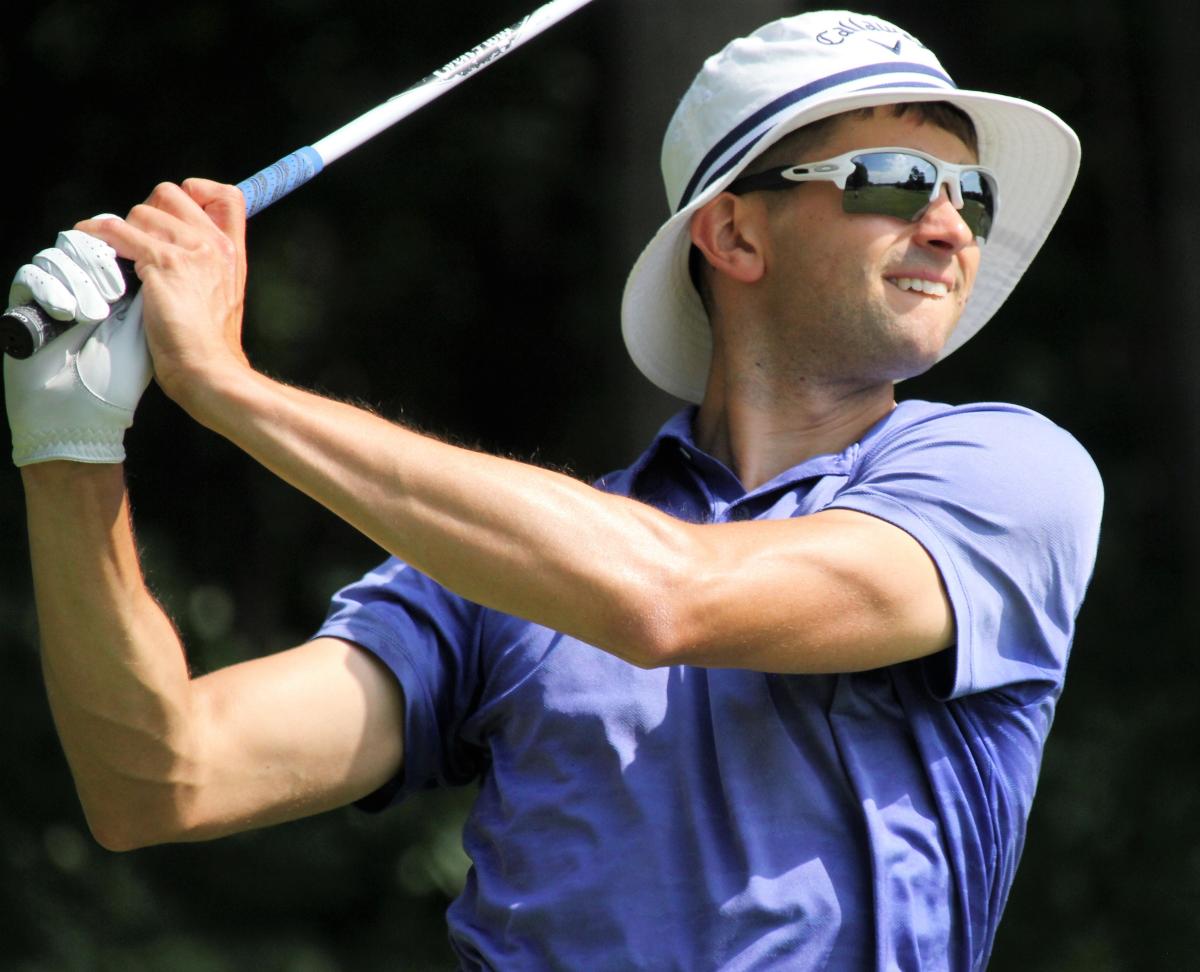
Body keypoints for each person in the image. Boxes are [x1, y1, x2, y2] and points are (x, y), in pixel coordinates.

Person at [4, 10, 1103, 970]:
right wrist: (68, 445)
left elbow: (670, 599)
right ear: (734, 232)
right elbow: (161, 779)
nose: (950, 226)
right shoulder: (510, 566)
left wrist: (227, 386)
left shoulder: (1010, 475)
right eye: (896, 181)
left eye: (971, 195)